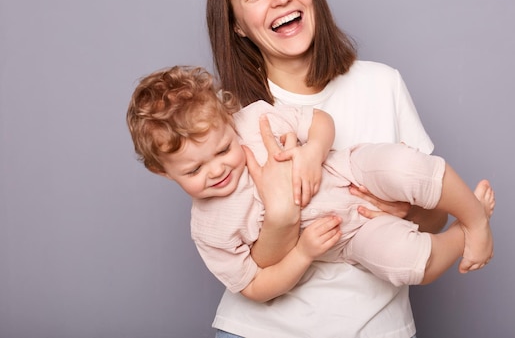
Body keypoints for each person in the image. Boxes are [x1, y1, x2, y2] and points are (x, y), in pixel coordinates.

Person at [205, 0, 495, 337]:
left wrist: (406, 211)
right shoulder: (230, 121)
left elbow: (432, 216)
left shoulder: (382, 83)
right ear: (236, 24)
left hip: (378, 327)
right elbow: (249, 268)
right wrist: (284, 214)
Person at [126, 65, 495, 303]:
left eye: (223, 149)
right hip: (346, 238)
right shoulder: (209, 226)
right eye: (193, 171)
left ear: (229, 119)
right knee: (406, 264)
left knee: (405, 167)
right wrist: (302, 253)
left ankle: (475, 220)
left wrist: (314, 151)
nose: (215, 170)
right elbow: (253, 286)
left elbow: (319, 121)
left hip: (350, 170)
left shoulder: (256, 120)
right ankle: (463, 234)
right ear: (163, 171)